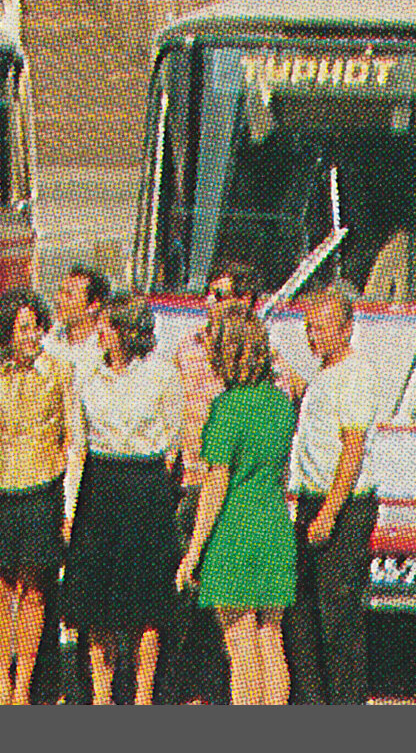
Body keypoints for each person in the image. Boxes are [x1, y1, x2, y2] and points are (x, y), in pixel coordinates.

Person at [65, 297, 182, 704]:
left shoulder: (162, 375)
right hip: (99, 487)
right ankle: (102, 697)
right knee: (96, 601)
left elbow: (172, 444)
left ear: (128, 332)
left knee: (145, 601)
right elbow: (78, 445)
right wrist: (70, 508)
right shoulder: (86, 374)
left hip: (146, 489)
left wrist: (153, 486)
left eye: (108, 325)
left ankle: (142, 697)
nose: (100, 331)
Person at [175, 304, 294, 705]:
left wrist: (193, 553)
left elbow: (215, 484)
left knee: (240, 648)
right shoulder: (280, 404)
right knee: (270, 637)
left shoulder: (226, 408)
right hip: (274, 526)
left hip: (234, 532)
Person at [0, 285, 75, 703]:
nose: (31, 336)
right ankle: (0, 683)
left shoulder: (59, 372)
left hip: (41, 488)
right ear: (5, 334)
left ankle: (23, 687)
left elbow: (71, 438)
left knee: (33, 590)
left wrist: (64, 500)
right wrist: (1, 461)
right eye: (21, 328)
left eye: (35, 327)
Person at [282, 282, 379, 704]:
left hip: (341, 506)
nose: (312, 336)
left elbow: (352, 451)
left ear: (345, 330)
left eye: (321, 329)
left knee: (338, 617)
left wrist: (329, 513)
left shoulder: (355, 375)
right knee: (301, 613)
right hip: (310, 501)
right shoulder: (326, 374)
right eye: (309, 328)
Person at [159, 261, 251, 702]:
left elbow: (293, 389)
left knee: (226, 599)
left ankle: (223, 691)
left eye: (221, 295)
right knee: (183, 590)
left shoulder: (254, 352)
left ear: (244, 301)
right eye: (209, 293)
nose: (210, 303)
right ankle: (183, 687)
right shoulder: (188, 346)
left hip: (229, 486)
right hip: (189, 481)